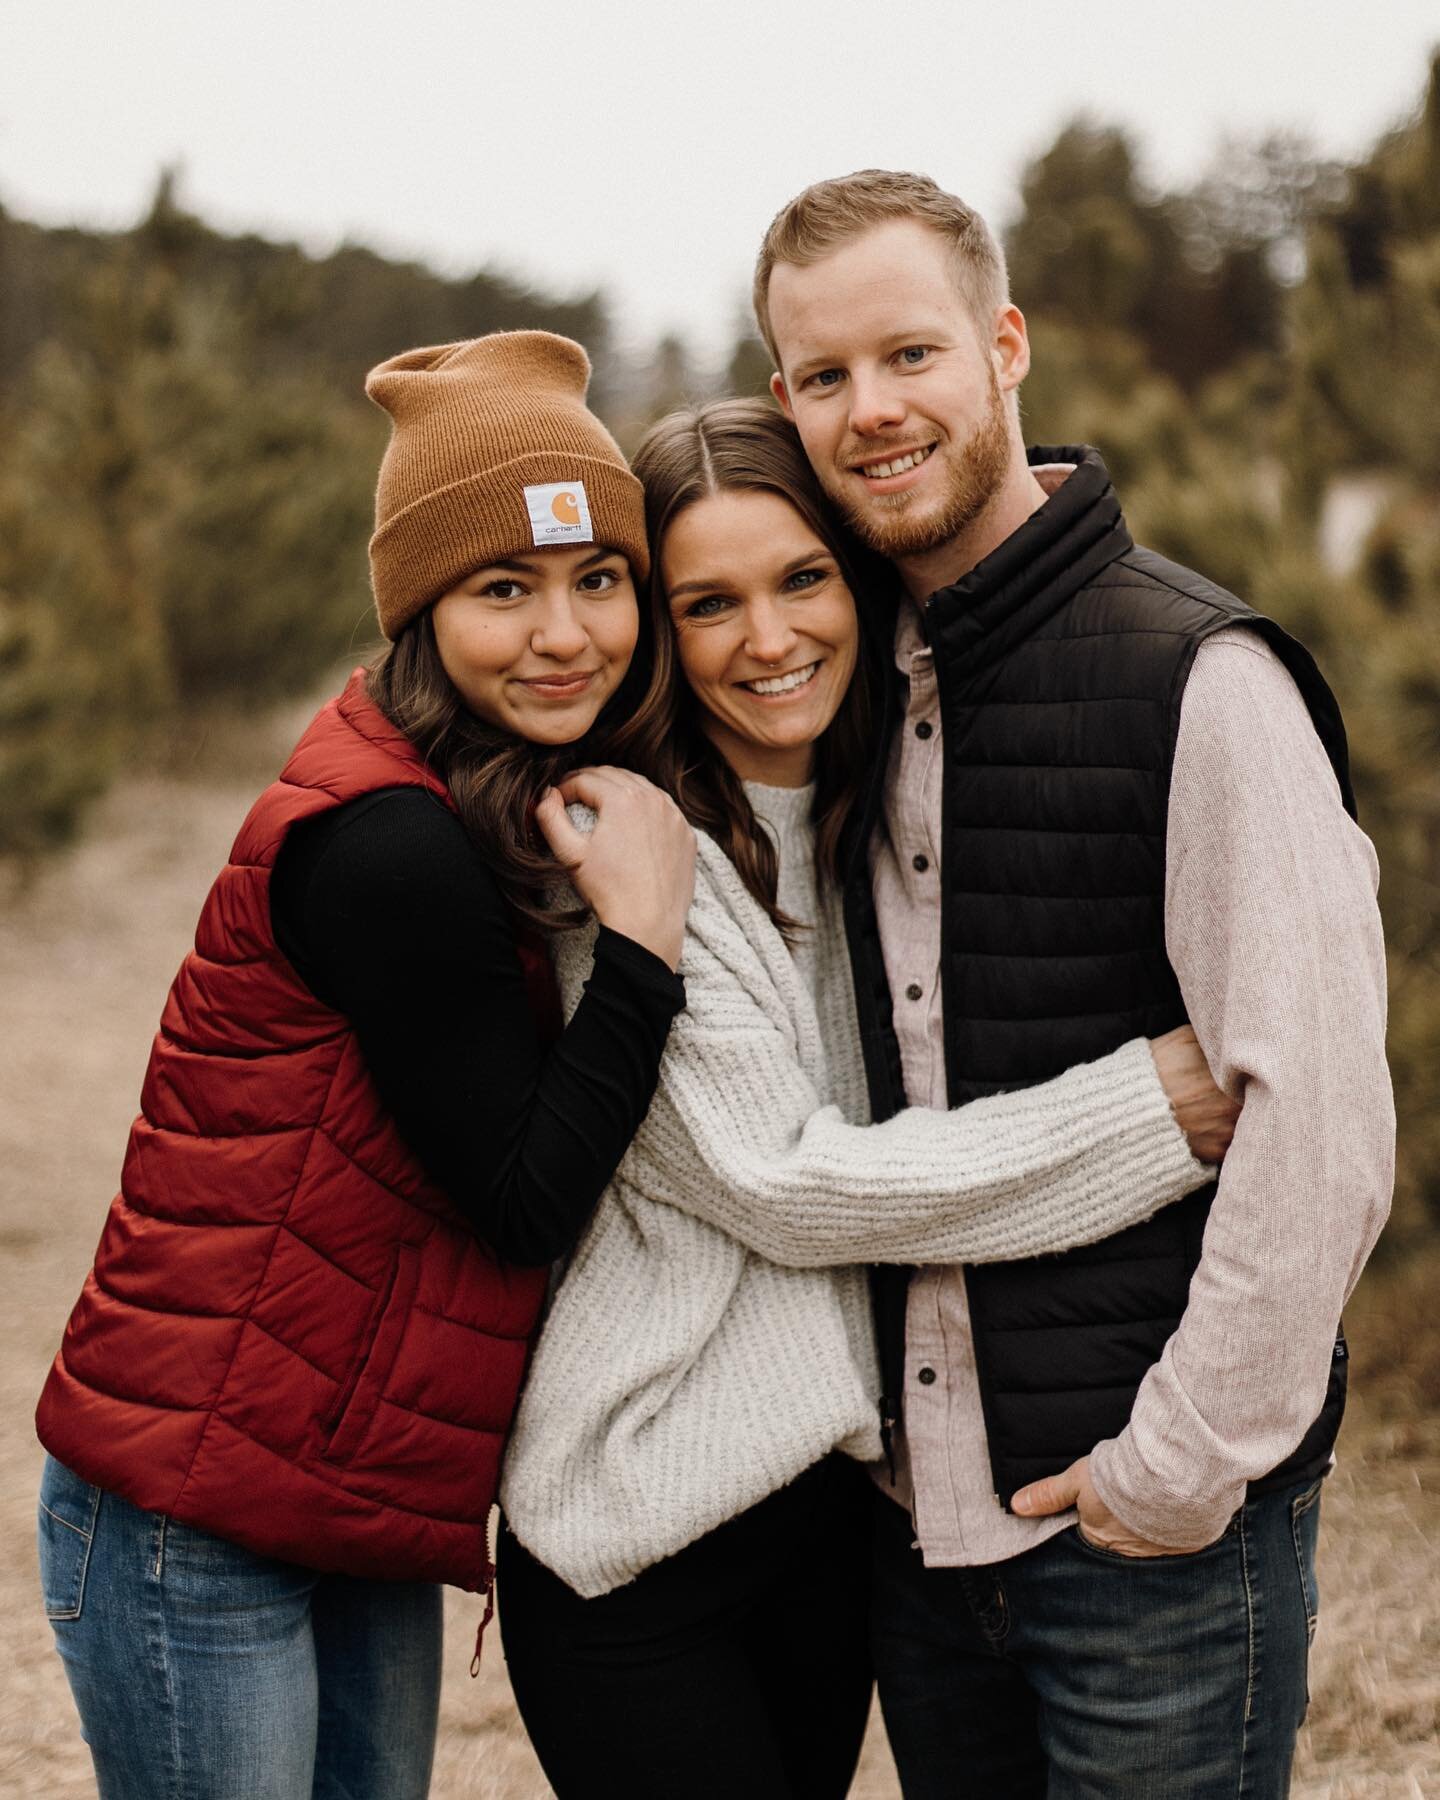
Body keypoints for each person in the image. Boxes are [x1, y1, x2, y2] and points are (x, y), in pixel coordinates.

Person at [751, 169, 1395, 1798]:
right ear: (783, 398)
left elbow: (1316, 1124)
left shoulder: (1199, 676)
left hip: (1150, 1545)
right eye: (824, 377)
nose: (872, 410)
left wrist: (1175, 1470)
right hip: (920, 1539)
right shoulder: (825, 697)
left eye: (910, 356)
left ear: (1005, 345)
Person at [496, 398, 1240, 1800]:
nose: (768, 640)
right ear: (659, 629)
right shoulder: (631, 850)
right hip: (640, 1537)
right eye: (708, 602)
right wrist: (1145, 1113)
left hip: (830, 1522)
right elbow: (787, 1186)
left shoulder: (886, 811)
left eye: (801, 579)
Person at [32, 330, 697, 1800]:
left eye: (600, 581)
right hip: (193, 1517)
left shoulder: (478, 800)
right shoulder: (390, 846)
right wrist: (644, 951)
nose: (566, 633)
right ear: (420, 608)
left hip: (341, 1487)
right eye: (503, 590)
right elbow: (525, 1196)